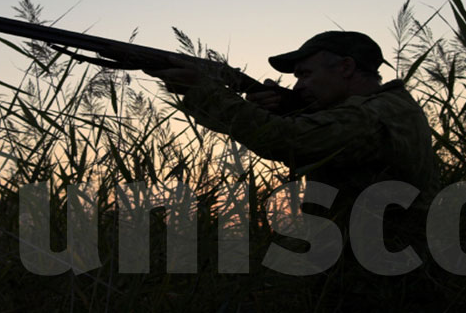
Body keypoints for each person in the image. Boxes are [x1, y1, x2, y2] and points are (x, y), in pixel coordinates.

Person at [146, 31, 443, 309]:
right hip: (371, 273)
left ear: (346, 67)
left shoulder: (372, 114)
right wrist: (280, 111)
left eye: (306, 74)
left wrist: (204, 92)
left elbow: (290, 140)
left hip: (379, 285)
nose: (299, 86)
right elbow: (318, 134)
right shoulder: (387, 106)